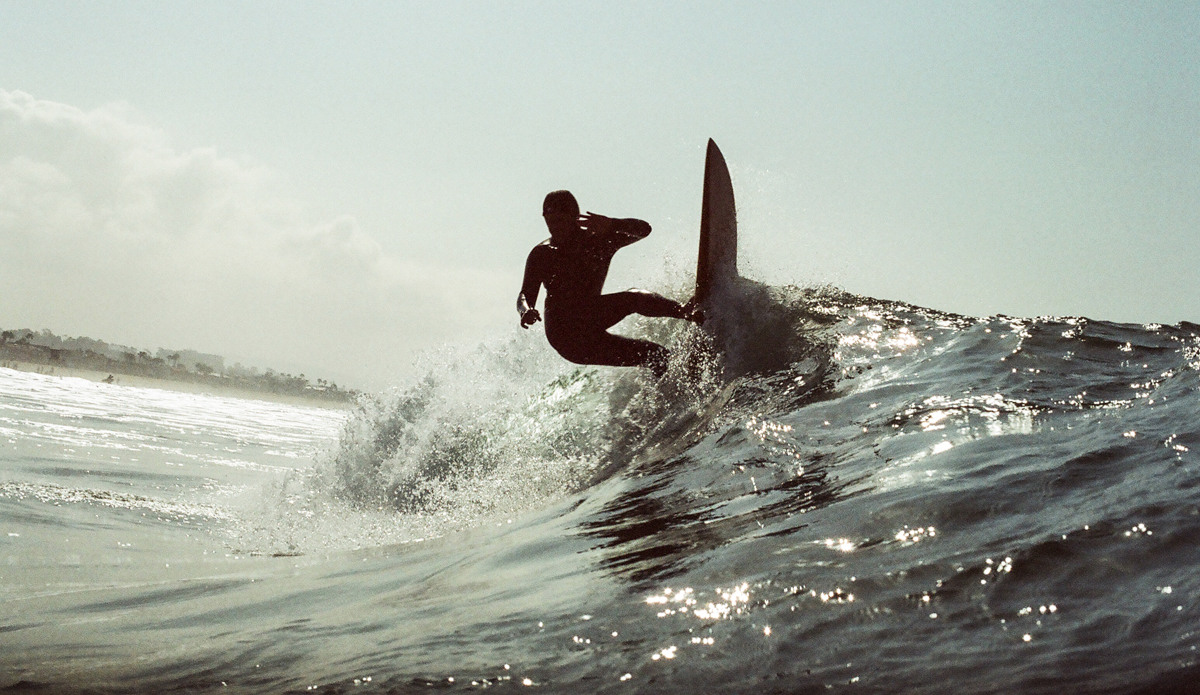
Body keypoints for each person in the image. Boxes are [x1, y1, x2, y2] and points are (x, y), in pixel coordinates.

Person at [518, 190, 702, 376]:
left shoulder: (599, 240)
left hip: (591, 320)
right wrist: (526, 311)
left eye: (560, 220)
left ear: (574, 216)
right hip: (565, 336)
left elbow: (644, 230)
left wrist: (613, 224)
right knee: (633, 298)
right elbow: (525, 295)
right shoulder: (542, 254)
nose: (554, 227)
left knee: (656, 355)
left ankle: (682, 384)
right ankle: (685, 312)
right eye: (550, 221)